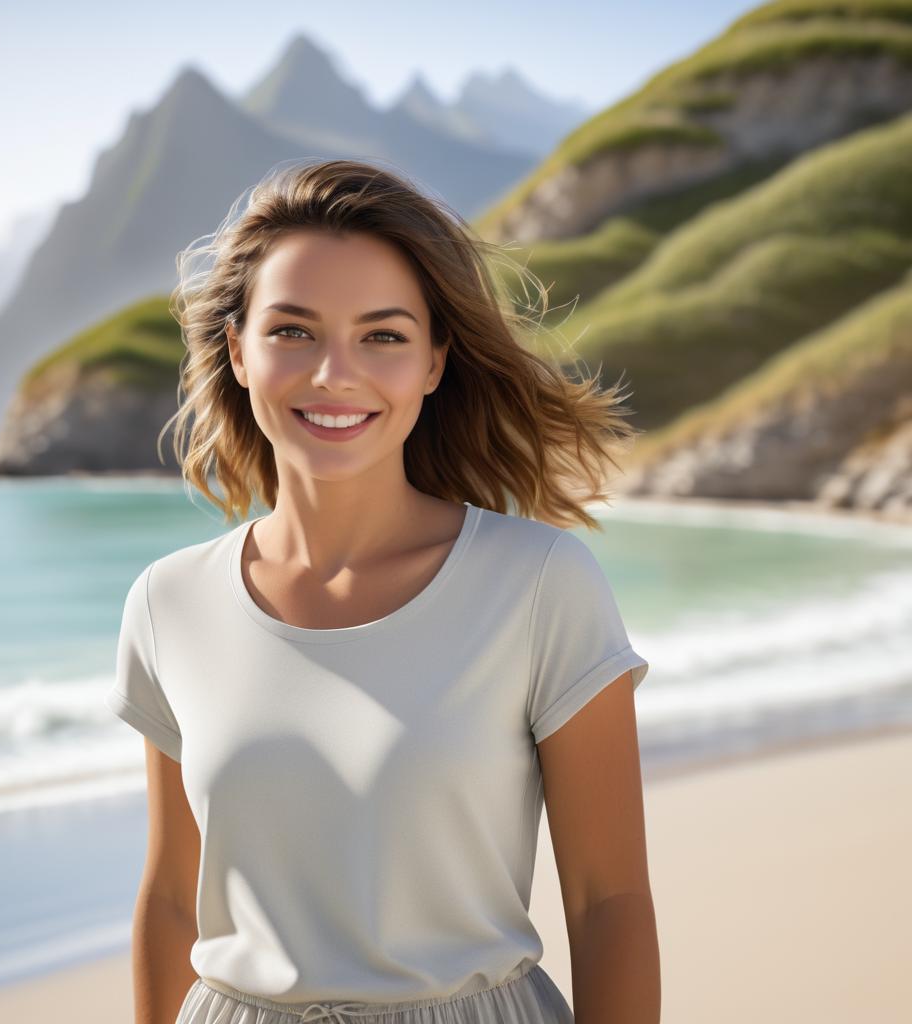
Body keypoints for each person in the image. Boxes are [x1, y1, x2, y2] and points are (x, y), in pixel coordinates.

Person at [106, 158, 660, 1024]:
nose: (334, 373)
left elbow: (609, 902)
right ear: (237, 352)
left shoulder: (540, 585)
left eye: (383, 335)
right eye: (292, 331)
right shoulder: (167, 602)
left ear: (435, 361)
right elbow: (173, 897)